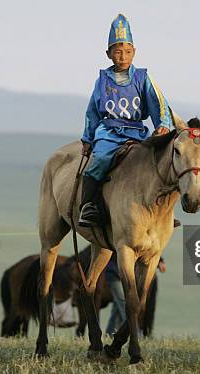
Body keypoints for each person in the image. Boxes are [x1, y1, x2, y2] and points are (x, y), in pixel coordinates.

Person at [78, 14, 172, 227]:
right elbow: (92, 110)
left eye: (127, 52)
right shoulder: (102, 81)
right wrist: (88, 138)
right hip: (109, 133)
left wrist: (163, 125)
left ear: (134, 52)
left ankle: (161, 210)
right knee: (100, 161)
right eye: (118, 52)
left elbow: (159, 102)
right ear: (108, 54)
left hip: (137, 132)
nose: (123, 56)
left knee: (156, 163)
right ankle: (88, 206)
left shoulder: (142, 77)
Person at [105, 254, 167, 336]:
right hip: (115, 274)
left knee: (118, 306)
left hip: (121, 274)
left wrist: (159, 260)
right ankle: (136, 334)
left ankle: (110, 333)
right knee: (125, 305)